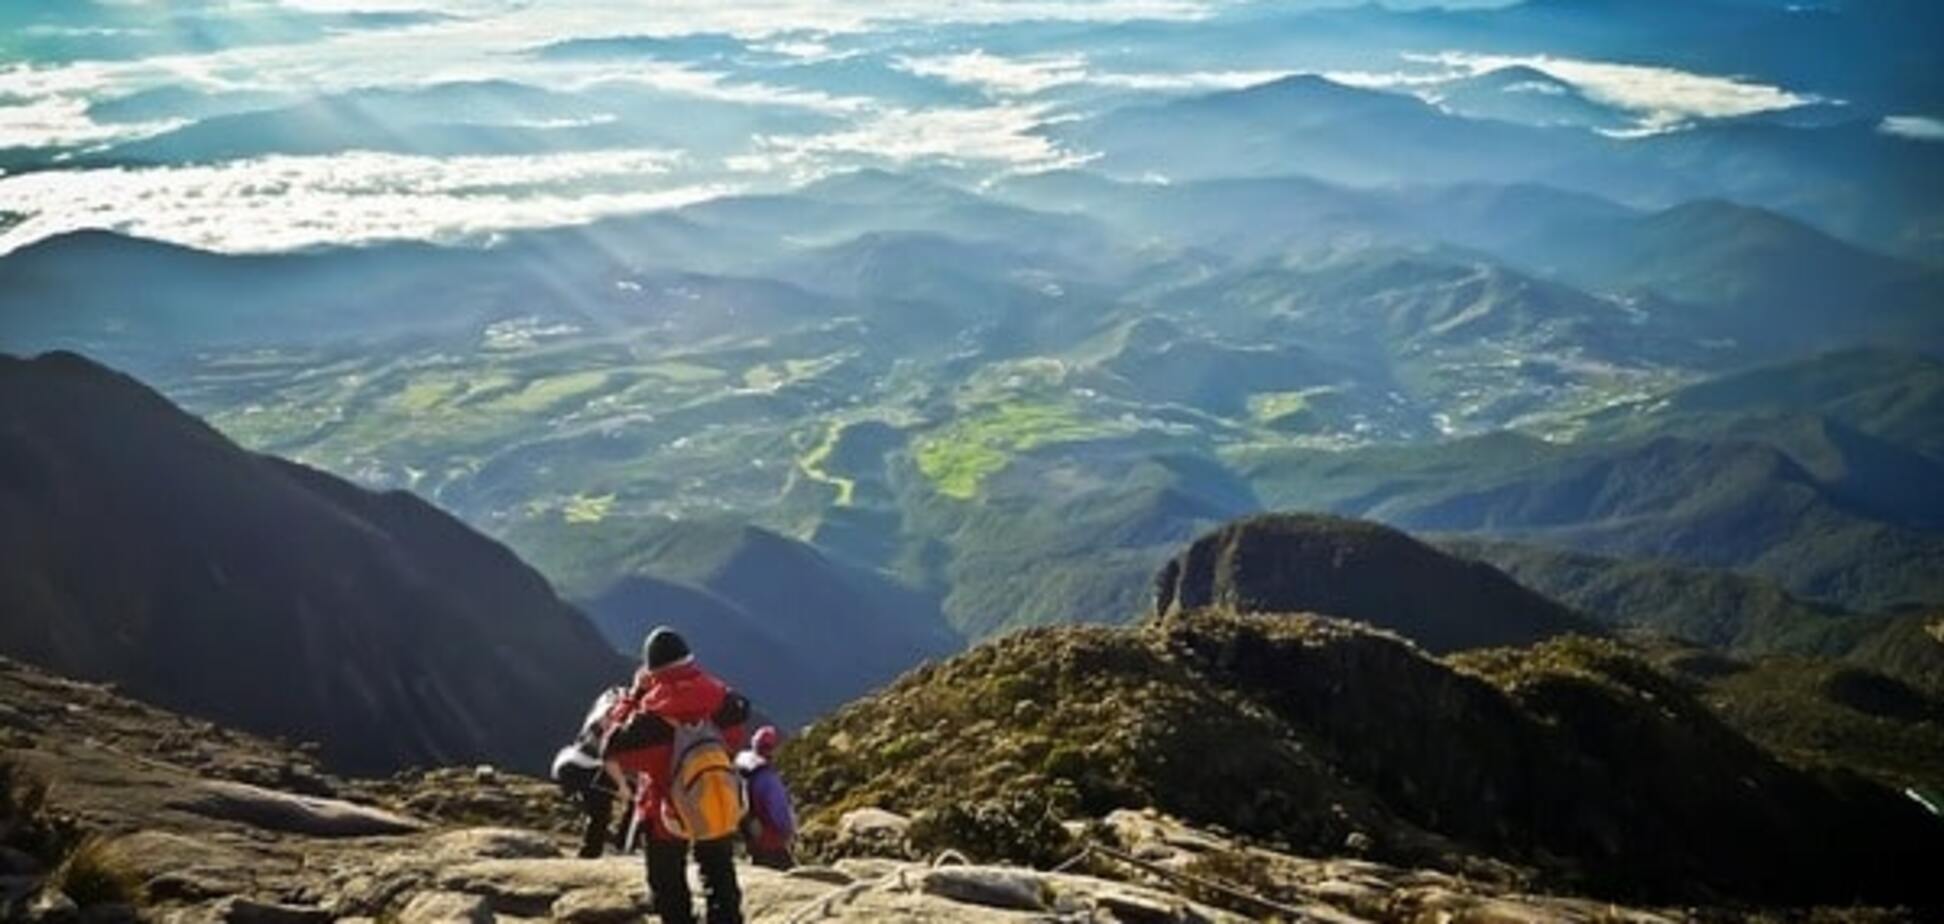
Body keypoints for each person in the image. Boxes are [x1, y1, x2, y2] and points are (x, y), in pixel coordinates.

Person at [603, 627, 751, 924]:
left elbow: (613, 746)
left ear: (652, 669)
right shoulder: (725, 701)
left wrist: (634, 695)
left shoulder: (650, 719)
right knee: (720, 874)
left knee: (668, 884)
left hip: (664, 813)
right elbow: (737, 734)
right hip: (714, 796)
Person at [550, 685, 633, 859]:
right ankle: (622, 849)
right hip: (589, 766)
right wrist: (622, 784)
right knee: (631, 801)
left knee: (599, 813)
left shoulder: (613, 697)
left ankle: (595, 853)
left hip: (572, 762)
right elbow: (609, 755)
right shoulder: (625, 712)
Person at [736, 725, 798, 870]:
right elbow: (779, 813)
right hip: (771, 840)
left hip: (751, 835)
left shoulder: (743, 767)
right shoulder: (767, 778)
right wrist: (788, 832)